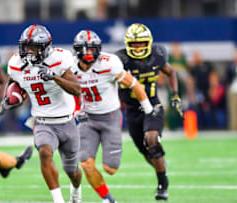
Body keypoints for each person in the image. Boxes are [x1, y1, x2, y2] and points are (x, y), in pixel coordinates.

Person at [71, 30, 157, 203]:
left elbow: (133, 84)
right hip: (88, 119)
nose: (89, 54)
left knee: (110, 168)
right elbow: (63, 92)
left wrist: (148, 109)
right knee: (86, 164)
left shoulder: (108, 63)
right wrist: (75, 110)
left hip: (110, 117)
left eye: (92, 49)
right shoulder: (70, 67)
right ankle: (108, 199)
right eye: (85, 49)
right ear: (77, 50)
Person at [4, 24, 82, 203]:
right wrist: (10, 97)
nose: (29, 51)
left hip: (66, 121)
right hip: (42, 121)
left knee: (72, 171)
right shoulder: (16, 64)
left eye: (34, 47)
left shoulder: (60, 59)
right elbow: (13, 82)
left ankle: (76, 191)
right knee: (45, 152)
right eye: (26, 47)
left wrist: (53, 76)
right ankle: (58, 200)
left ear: (45, 47)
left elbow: (77, 89)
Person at [116, 23, 182, 200]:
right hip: (131, 109)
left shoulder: (157, 55)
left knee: (151, 139)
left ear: (149, 42)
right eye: (134, 44)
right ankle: (160, 165)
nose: (138, 47)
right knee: (146, 152)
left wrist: (175, 95)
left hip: (153, 105)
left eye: (141, 43)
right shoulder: (120, 60)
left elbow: (171, 72)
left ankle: (162, 185)